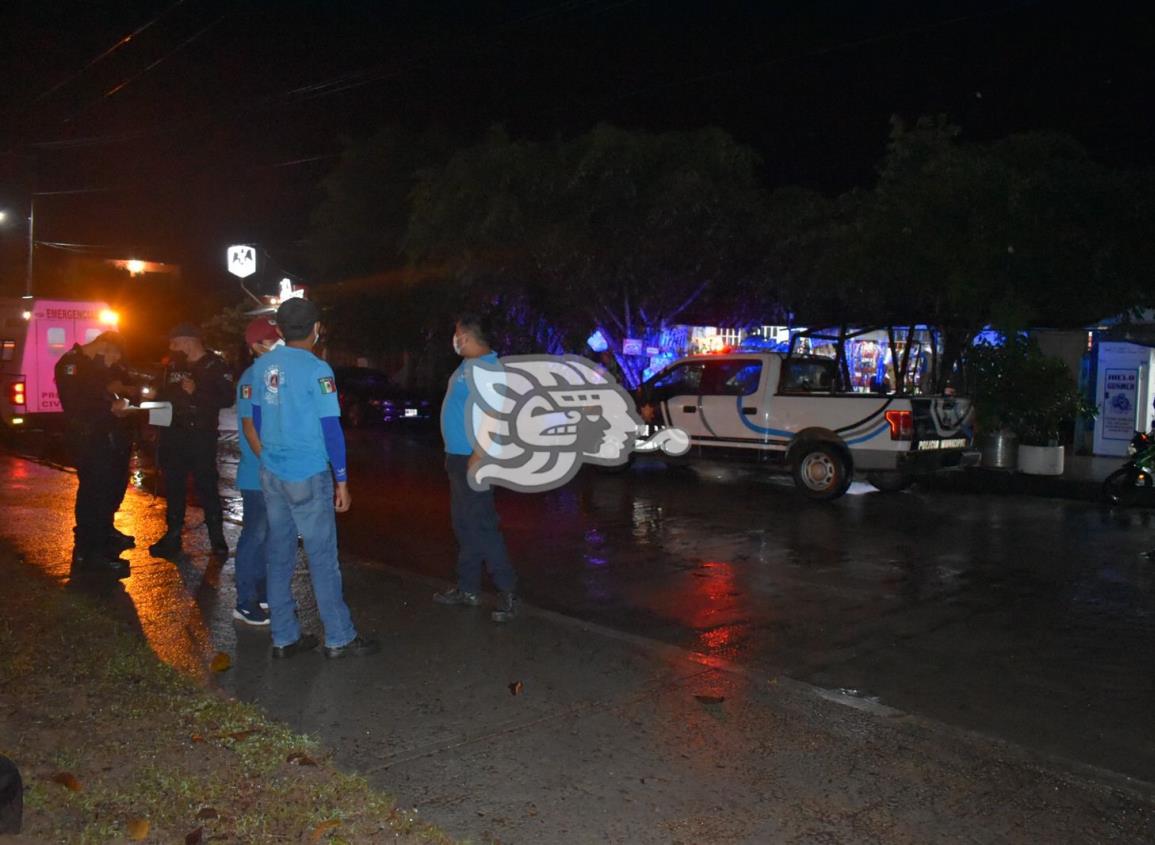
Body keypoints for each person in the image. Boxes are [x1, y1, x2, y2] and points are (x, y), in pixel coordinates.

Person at [251, 297, 378, 658]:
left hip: (272, 472)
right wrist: (342, 479)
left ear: (278, 330)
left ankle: (284, 636)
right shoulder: (318, 370)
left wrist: (273, 453)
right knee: (322, 557)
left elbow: (258, 420)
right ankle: (339, 636)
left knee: (280, 554)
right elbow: (331, 429)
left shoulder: (264, 366)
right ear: (316, 329)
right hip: (308, 473)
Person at [433, 313, 519, 622]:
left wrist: (479, 454)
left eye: (457, 334)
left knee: (482, 525)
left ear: (467, 337)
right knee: (465, 526)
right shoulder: (469, 366)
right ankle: (467, 588)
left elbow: (495, 415)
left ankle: (507, 591)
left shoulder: (488, 368)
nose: (454, 340)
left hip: (473, 459)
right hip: (457, 457)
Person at [148, 323, 235, 560]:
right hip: (173, 435)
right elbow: (161, 396)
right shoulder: (172, 365)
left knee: (206, 485)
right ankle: (173, 536)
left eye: (174, 342)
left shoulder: (215, 365)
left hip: (201, 436)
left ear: (188, 340)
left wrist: (197, 392)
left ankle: (217, 539)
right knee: (174, 486)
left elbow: (228, 397)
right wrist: (155, 426)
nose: (171, 347)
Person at [54, 331, 134, 577]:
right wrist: (110, 407)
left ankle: (100, 543)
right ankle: (91, 554)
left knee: (110, 491)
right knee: (94, 495)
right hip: (89, 439)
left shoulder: (97, 365)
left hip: (108, 439)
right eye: (113, 355)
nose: (114, 361)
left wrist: (122, 398)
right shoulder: (72, 364)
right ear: (102, 346)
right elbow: (76, 405)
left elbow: (114, 391)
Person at [231, 317, 280, 626]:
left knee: (269, 536)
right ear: (257, 346)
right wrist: (271, 464)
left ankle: (261, 594)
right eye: (273, 339)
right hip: (258, 473)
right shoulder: (252, 377)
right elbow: (251, 429)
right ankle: (245, 600)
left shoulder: (272, 374)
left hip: (272, 470)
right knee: (256, 534)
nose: (279, 343)